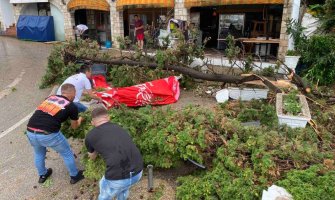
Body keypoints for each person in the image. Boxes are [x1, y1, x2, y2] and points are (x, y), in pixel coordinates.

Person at [26, 83, 85, 184]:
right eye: (74, 94)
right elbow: (74, 127)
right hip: (48, 134)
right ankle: (75, 176)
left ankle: (43, 175)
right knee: (67, 153)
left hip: (30, 130)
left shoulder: (50, 98)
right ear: (72, 94)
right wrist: (80, 119)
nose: (75, 97)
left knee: (39, 153)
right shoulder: (71, 106)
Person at [85, 106, 143, 200]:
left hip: (118, 178)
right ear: (108, 117)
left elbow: (92, 156)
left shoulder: (90, 136)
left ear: (92, 123)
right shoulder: (119, 127)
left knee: (104, 191)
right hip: (138, 171)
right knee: (124, 187)